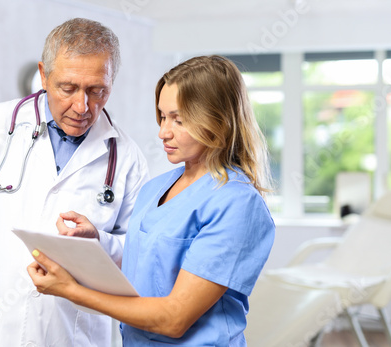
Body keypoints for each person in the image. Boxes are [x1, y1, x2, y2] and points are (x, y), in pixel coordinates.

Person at [0, 18, 148, 346]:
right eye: (68, 88)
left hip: (75, 333)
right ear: (44, 75)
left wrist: (100, 239)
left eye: (96, 90)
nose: (82, 106)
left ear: (111, 82)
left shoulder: (127, 158)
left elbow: (140, 252)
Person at [28, 55, 275, 346]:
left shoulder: (236, 203)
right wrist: (96, 240)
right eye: (162, 116)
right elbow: (147, 267)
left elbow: (174, 319)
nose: (163, 132)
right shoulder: (155, 189)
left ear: (218, 120)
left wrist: (70, 290)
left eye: (179, 120)